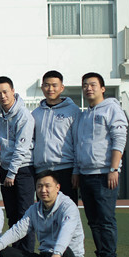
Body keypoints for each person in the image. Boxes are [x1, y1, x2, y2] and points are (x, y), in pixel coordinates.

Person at [75, 72, 128, 257]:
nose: (88, 88)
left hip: (104, 173)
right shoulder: (84, 115)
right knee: (93, 220)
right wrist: (77, 171)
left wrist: (113, 168)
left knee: (106, 218)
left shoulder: (112, 108)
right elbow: (79, 145)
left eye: (93, 85)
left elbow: (119, 138)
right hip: (85, 174)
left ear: (103, 88)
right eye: (85, 85)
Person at [0, 171, 84, 257]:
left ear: (57, 187)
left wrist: (57, 253)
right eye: (39, 186)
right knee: (2, 250)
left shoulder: (68, 207)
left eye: (47, 186)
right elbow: (17, 230)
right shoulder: (34, 209)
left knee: (65, 251)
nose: (43, 190)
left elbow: (66, 232)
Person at [0, 76, 35, 253]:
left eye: (5, 92)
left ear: (13, 91)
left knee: (25, 214)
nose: (2, 96)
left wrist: (12, 173)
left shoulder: (24, 115)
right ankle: (17, 253)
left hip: (22, 169)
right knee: (12, 214)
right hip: (5, 168)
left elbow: (22, 148)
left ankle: (27, 254)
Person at [31, 70, 80, 204]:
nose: (50, 89)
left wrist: (76, 170)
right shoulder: (36, 113)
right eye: (47, 85)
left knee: (67, 210)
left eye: (54, 85)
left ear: (62, 88)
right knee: (44, 211)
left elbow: (77, 142)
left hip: (66, 169)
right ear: (42, 87)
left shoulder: (73, 111)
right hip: (42, 170)